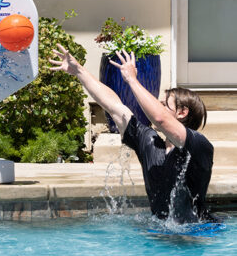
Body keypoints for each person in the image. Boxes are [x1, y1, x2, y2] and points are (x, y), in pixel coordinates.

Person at [49, 45, 213, 222]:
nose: (158, 107)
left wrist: (132, 80)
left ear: (182, 112)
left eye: (164, 104)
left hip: (198, 234)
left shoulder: (199, 146)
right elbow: (114, 107)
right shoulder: (150, 143)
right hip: (163, 234)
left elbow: (160, 118)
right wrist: (79, 71)